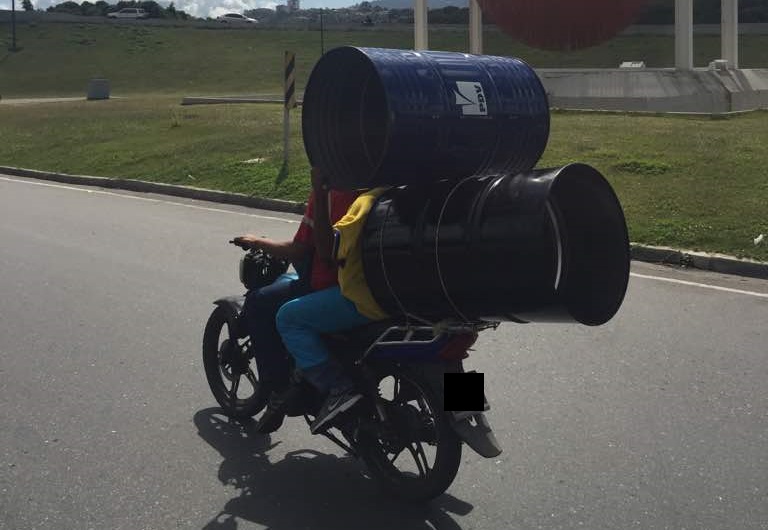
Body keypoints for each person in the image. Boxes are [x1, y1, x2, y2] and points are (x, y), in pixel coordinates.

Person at [231, 168, 359, 407]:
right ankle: (454, 418)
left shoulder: (345, 197)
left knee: (286, 316)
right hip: (423, 305)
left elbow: (322, 250)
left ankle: (301, 388)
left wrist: (320, 195)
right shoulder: (397, 198)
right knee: (449, 358)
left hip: (358, 296)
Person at [275, 184, 391, 434]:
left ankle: (337, 388)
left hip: (368, 301)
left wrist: (319, 188)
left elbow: (328, 253)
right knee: (453, 354)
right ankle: (472, 409)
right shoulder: (412, 194)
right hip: (429, 304)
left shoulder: (364, 201)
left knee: (288, 317)